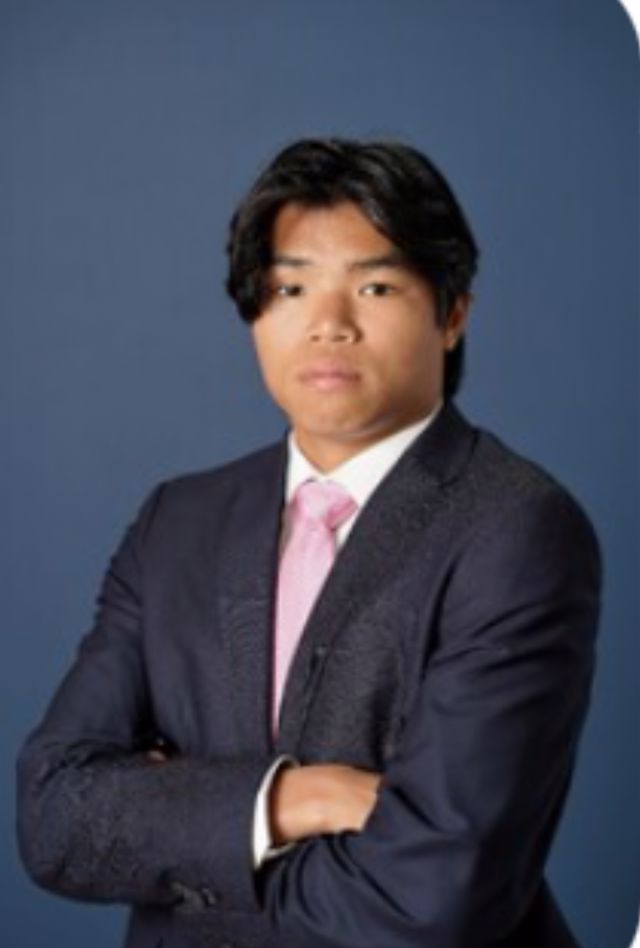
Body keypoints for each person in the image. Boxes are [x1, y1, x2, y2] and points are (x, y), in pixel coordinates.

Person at [17, 137, 601, 948]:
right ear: (254, 312)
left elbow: (438, 894)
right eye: (290, 287)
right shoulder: (176, 521)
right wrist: (296, 798)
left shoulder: (517, 526)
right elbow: (53, 819)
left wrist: (191, 837)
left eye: (374, 286)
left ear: (453, 313)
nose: (329, 326)